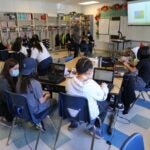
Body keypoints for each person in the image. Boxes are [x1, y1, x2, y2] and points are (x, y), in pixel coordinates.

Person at [66, 57, 109, 138]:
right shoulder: (91, 84)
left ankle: (74, 123)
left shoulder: (68, 82)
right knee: (105, 104)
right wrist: (104, 87)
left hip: (72, 113)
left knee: (75, 101)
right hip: (88, 116)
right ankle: (95, 129)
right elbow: (103, 97)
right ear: (89, 71)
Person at [16, 58, 57, 126]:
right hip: (34, 111)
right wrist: (47, 95)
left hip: (23, 110)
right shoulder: (35, 83)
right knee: (54, 101)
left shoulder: (19, 81)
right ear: (34, 69)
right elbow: (41, 101)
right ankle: (39, 119)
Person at [120, 46, 150, 114]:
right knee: (126, 78)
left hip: (141, 83)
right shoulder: (147, 60)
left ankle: (126, 102)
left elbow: (133, 70)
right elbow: (137, 66)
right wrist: (128, 62)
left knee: (125, 80)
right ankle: (127, 98)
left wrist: (126, 64)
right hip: (146, 83)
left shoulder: (143, 61)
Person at [0, 58, 19, 123]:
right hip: (5, 105)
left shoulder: (11, 76)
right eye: (15, 69)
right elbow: (6, 99)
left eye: (18, 68)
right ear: (8, 69)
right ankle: (4, 117)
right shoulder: (3, 81)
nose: (17, 70)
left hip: (8, 101)